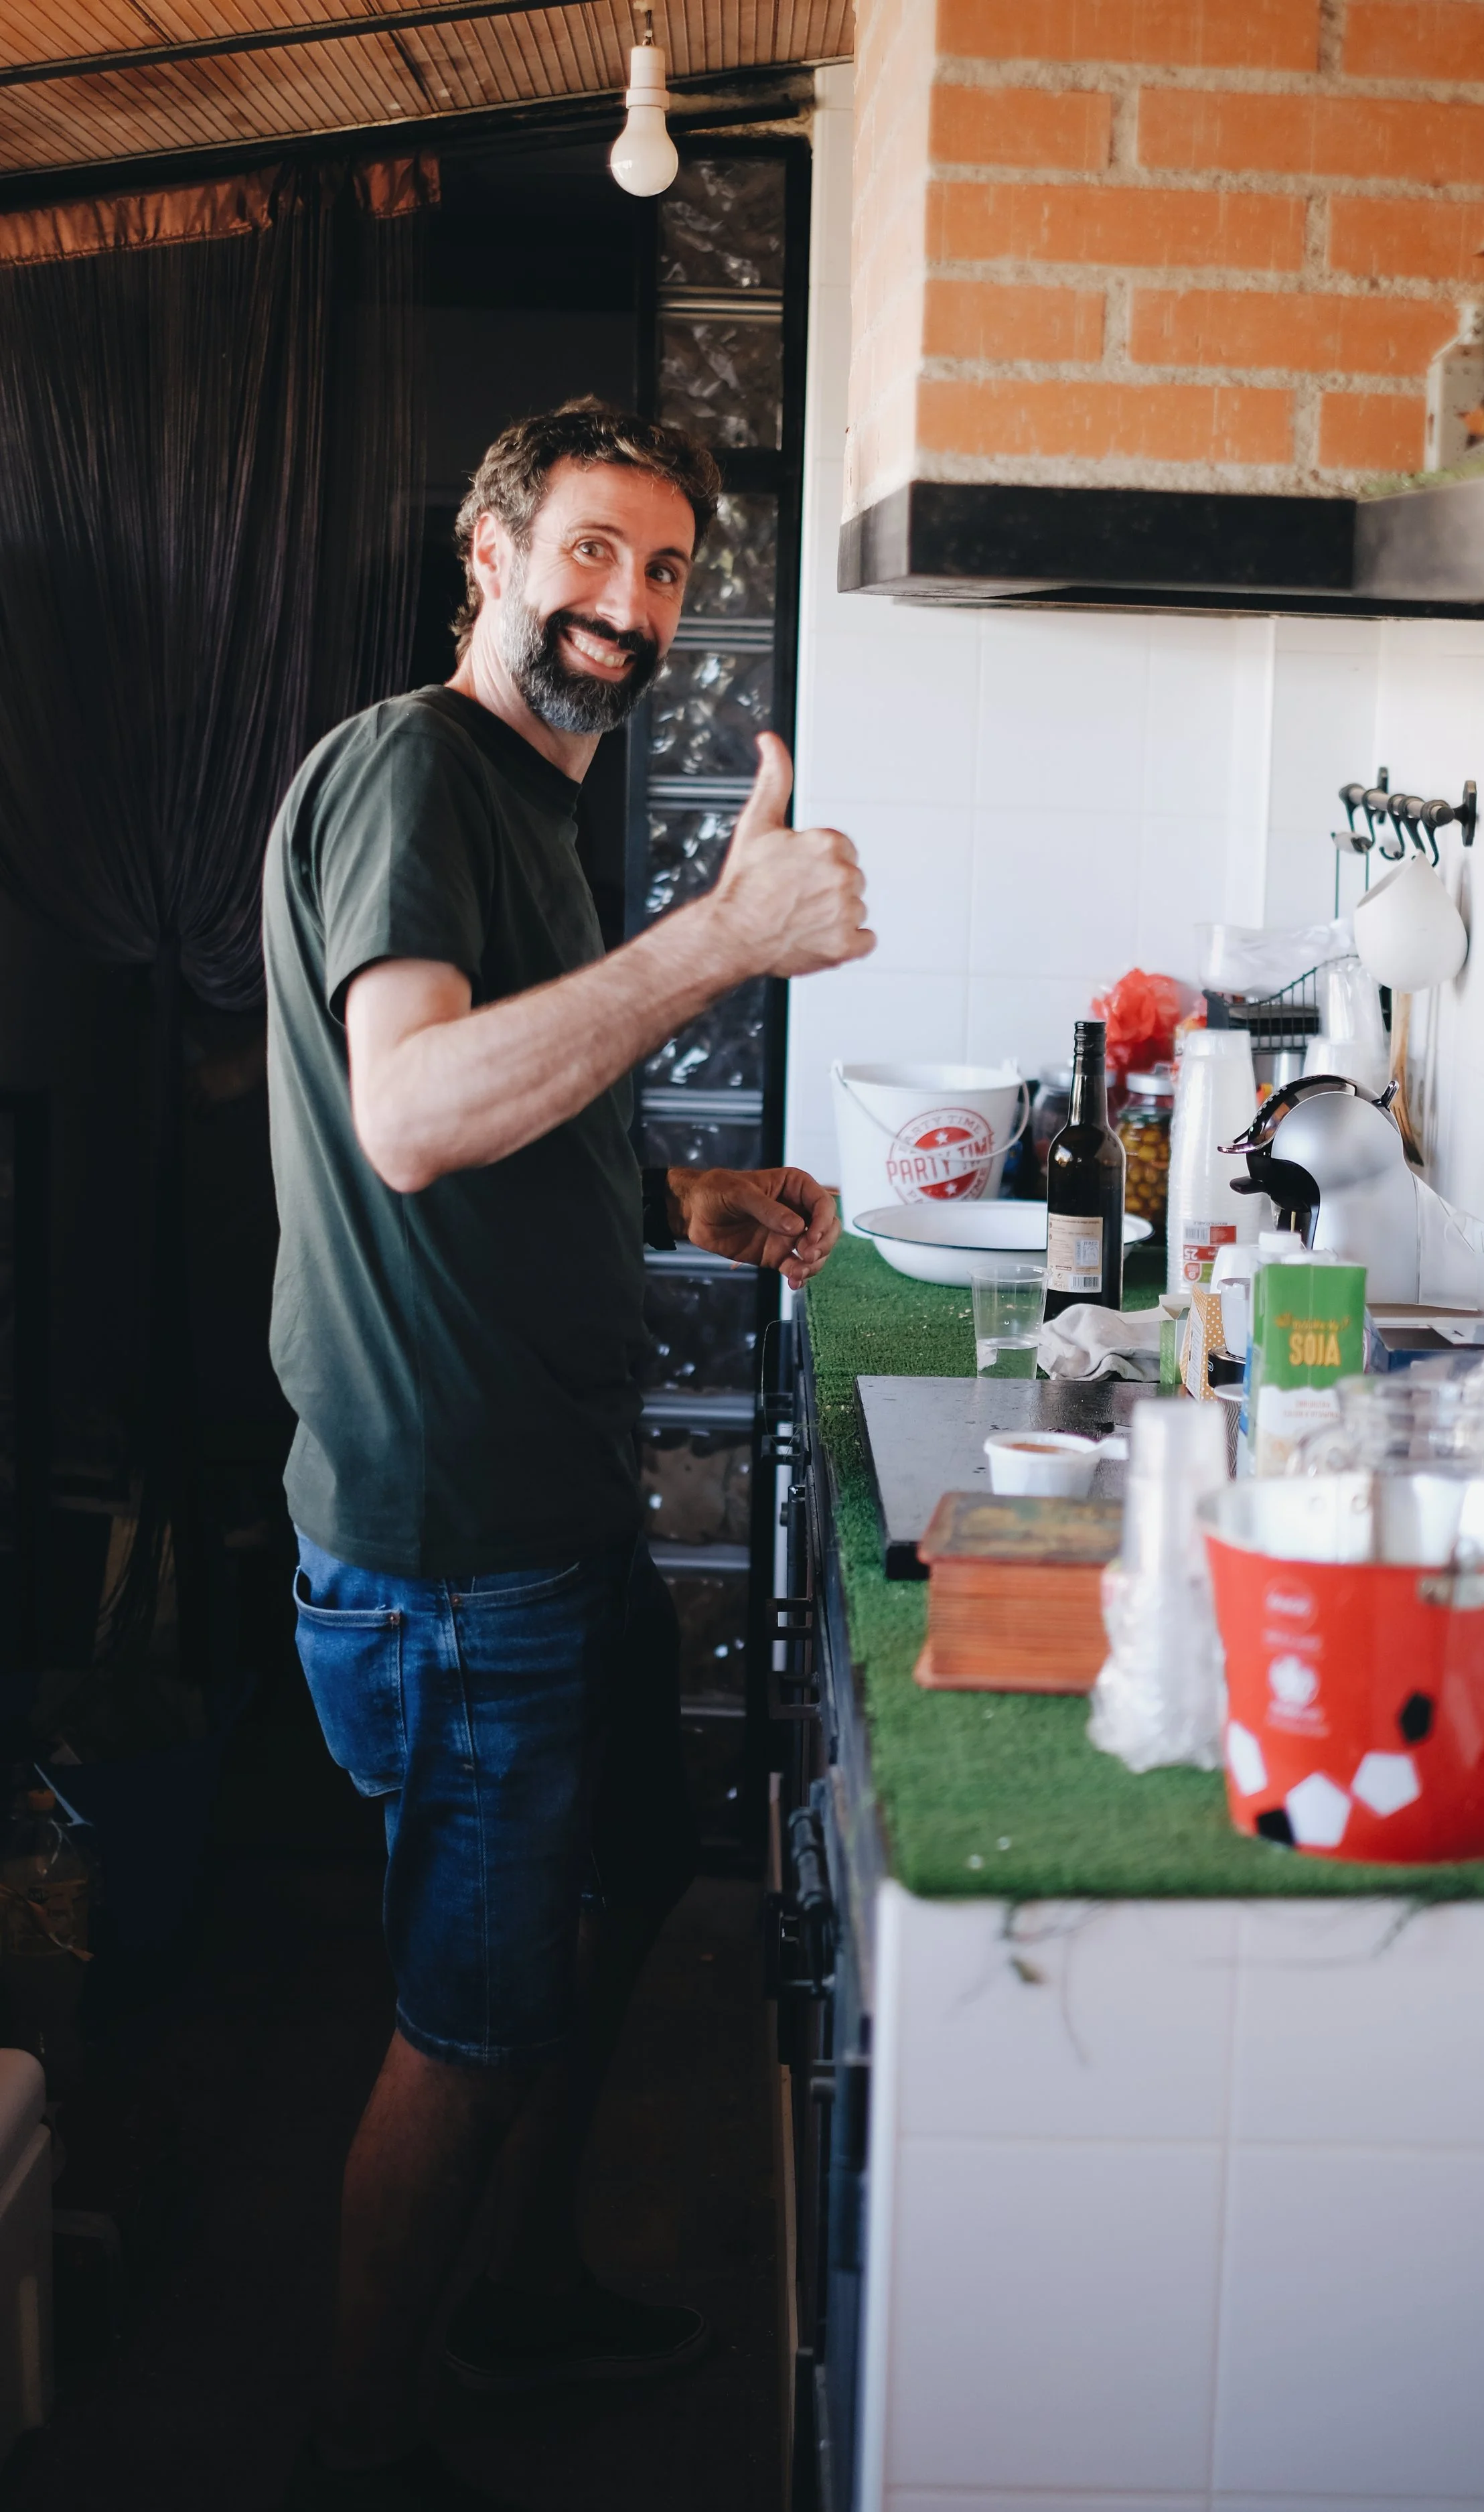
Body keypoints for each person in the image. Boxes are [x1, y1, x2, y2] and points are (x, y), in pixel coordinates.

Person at [266, 399, 873, 2509]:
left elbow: (510, 1118)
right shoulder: (416, 769)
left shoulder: (531, 804)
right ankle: (355, 2446)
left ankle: (513, 2287)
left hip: (543, 1502)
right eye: (593, 553)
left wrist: (674, 1200)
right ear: (492, 552)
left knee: (622, 1880)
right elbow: (414, 1112)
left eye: (668, 569)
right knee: (468, 2012)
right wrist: (718, 937)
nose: (630, 605)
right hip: (454, 1538)